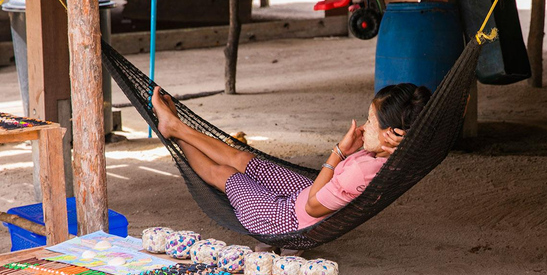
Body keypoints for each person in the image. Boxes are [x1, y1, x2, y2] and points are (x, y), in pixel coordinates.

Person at [151, 83, 432, 235]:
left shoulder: (362, 170)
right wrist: (370, 148)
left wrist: (339, 152)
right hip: (307, 194)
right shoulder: (392, 157)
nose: (365, 126)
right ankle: (177, 127)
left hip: (287, 221)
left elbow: (313, 206)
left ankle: (175, 130)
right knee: (243, 158)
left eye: (371, 121)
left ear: (392, 134)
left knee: (225, 173)